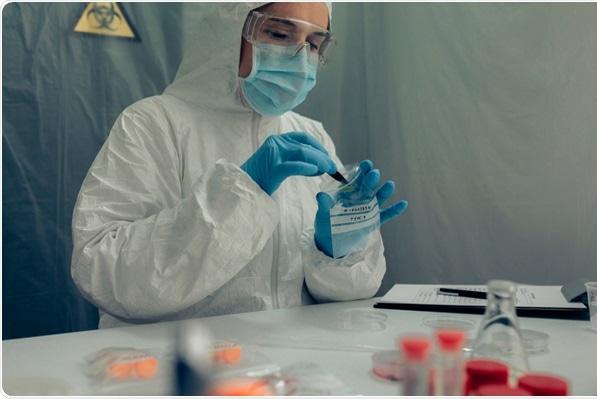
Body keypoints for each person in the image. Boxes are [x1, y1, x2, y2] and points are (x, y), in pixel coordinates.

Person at [70, 2, 408, 328]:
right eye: (278, 34)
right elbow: (101, 271)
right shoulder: (153, 123)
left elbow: (342, 300)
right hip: (174, 369)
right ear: (229, 30)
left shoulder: (308, 133)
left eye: (314, 44)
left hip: (284, 372)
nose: (300, 58)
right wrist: (245, 189)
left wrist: (334, 253)